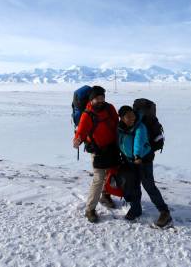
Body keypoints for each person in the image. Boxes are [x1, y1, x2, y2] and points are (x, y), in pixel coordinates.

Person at [117, 105, 171, 228]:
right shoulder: (120, 128)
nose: (132, 118)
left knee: (149, 186)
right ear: (121, 118)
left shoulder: (140, 126)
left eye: (133, 115)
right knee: (134, 185)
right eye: (128, 117)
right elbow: (119, 142)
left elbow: (138, 141)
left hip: (143, 160)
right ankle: (136, 209)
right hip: (129, 161)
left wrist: (137, 155)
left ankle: (164, 212)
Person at [73, 86, 120, 223]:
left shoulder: (109, 108)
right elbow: (81, 131)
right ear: (91, 99)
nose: (101, 101)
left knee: (110, 173)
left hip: (112, 148)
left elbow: (116, 123)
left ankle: (105, 195)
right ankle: (90, 209)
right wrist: (77, 140)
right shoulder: (87, 114)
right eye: (97, 98)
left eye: (102, 98)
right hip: (97, 150)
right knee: (99, 178)